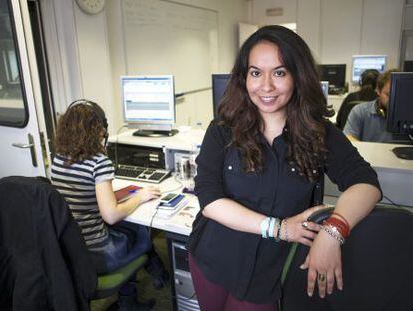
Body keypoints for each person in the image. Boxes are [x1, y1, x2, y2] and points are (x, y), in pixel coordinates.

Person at [187, 25, 381, 310]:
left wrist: (332, 232)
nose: (266, 86)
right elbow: (209, 199)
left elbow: (366, 184)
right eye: (255, 73)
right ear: (244, 77)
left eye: (279, 72)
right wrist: (279, 228)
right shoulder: (222, 131)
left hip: (269, 272)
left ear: (297, 76)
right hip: (213, 258)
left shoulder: (320, 134)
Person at [51, 99, 168, 310]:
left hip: (70, 251)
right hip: (99, 255)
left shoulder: (58, 159)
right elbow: (111, 215)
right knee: (142, 231)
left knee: (128, 229)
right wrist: (140, 197)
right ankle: (150, 274)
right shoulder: (98, 161)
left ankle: (137, 290)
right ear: (99, 130)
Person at [343, 69, 398, 142]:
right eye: (388, 95)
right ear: (378, 90)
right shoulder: (360, 111)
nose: (393, 100)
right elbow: (348, 137)